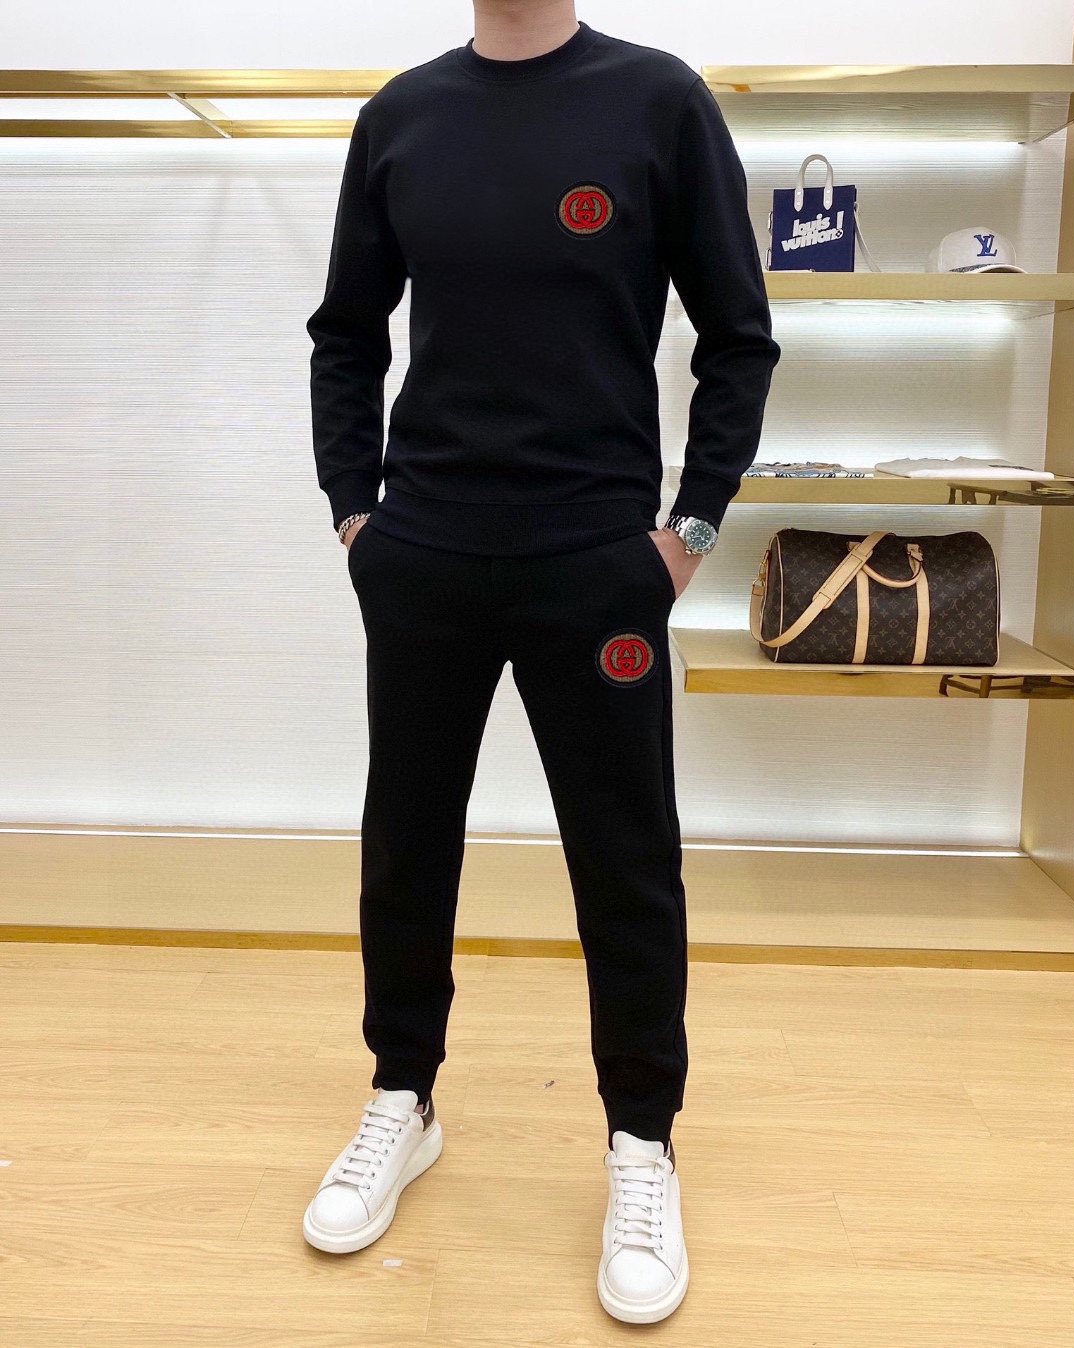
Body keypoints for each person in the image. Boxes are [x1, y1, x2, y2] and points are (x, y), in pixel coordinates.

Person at [301, 0, 780, 1324]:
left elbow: (739, 338)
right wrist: (355, 515)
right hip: (426, 554)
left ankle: (642, 1142)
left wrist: (686, 535)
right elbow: (346, 332)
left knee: (627, 856)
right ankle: (403, 1097)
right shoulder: (401, 116)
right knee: (406, 841)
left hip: (597, 566)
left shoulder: (660, 101)